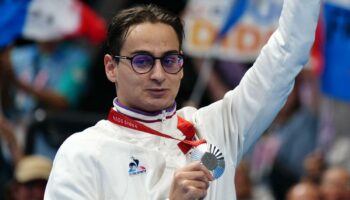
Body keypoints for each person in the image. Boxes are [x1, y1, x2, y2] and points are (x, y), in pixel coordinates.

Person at [44, 0, 321, 199]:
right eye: (141, 61)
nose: (158, 74)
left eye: (170, 60)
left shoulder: (219, 124)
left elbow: (288, 52)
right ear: (110, 67)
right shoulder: (83, 152)